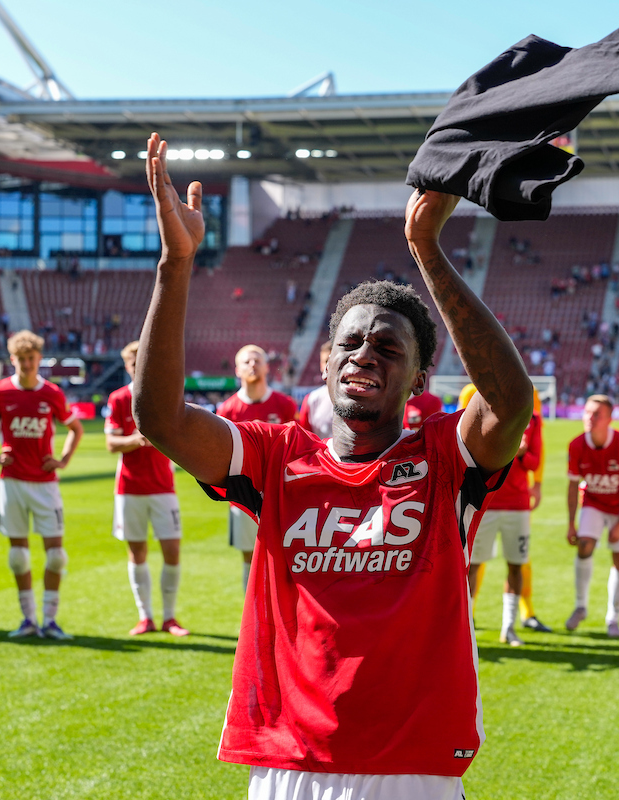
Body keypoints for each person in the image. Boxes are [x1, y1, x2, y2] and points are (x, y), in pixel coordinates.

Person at [133, 133, 532, 799]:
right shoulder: (274, 456)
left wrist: (427, 251)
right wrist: (177, 264)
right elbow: (162, 420)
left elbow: (511, 402)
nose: (364, 355)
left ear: (420, 377)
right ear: (323, 364)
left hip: (415, 767)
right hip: (290, 763)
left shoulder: (442, 457)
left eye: (387, 346)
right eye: (348, 342)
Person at [0, 330, 83, 640]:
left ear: (39, 359)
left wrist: (62, 459)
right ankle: (28, 620)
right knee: (18, 556)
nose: (26, 364)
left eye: (31, 359)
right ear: (13, 360)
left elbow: (75, 428)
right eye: (21, 359)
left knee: (56, 555)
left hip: (45, 483)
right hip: (12, 482)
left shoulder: (52, 393)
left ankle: (50, 620)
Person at [105, 340, 187, 637]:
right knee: (136, 552)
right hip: (129, 488)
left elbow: (181, 436)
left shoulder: (165, 396)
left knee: (172, 551)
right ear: (128, 366)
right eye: (133, 364)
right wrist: (136, 440)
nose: (139, 368)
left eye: (144, 362)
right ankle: (146, 617)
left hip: (163, 486)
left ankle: (169, 617)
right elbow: (111, 443)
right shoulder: (118, 398)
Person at [460, 382, 550, 632]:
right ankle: (464, 621)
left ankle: (511, 625)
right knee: (472, 564)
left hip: (517, 503)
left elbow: (535, 459)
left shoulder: (531, 414)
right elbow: (462, 446)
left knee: (517, 563)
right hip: (484, 501)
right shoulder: (473, 397)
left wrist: (521, 455)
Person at [216, 343, 297, 591]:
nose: (252, 364)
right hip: (243, 497)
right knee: (249, 558)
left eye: (257, 360)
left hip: (281, 494)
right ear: (237, 370)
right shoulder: (227, 410)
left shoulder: (285, 405)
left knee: (287, 559)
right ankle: (252, 623)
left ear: (267, 367)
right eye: (247, 361)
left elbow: (297, 448)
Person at [565, 395, 619, 636]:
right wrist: (570, 524)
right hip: (593, 502)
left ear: (609, 419)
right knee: (584, 545)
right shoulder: (576, 445)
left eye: (596, 414)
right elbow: (573, 486)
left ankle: (613, 618)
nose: (590, 418)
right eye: (587, 412)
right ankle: (580, 606)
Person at [296, 341, 334, 440]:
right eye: (326, 361)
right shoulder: (311, 399)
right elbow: (305, 440)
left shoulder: (360, 396)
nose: (330, 365)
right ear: (321, 366)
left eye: (334, 360)